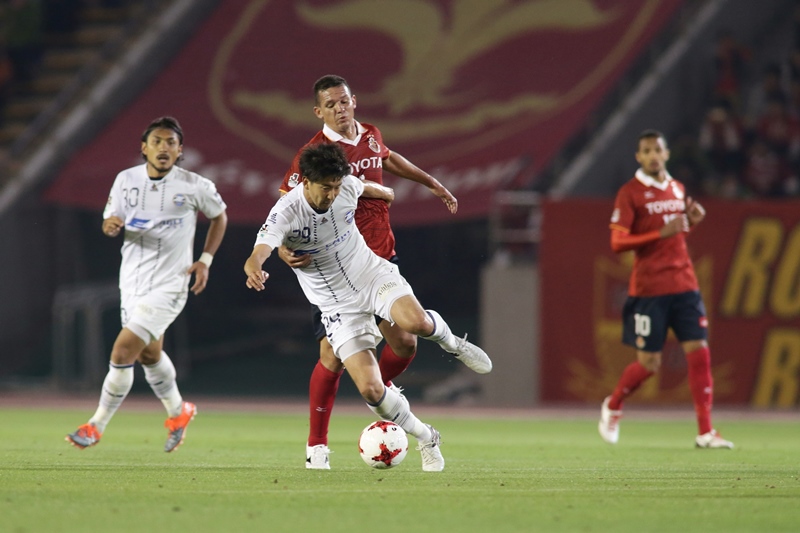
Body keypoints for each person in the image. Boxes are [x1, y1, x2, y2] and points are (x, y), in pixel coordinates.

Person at [244, 143, 491, 472]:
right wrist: (255, 269)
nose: (332, 194)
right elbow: (259, 250)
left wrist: (387, 193)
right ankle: (427, 436)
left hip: (372, 275)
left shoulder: (346, 185)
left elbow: (366, 187)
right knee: (372, 390)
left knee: (415, 324)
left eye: (336, 186)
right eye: (325, 187)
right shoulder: (286, 212)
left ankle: (454, 344)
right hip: (336, 305)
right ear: (305, 181)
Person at [276, 74, 459, 469]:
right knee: (330, 356)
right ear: (319, 111)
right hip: (335, 270)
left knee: (406, 341)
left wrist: (430, 182)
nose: (340, 109)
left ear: (354, 101)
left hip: (378, 259)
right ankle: (317, 445)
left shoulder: (371, 134)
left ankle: (380, 391)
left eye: (344, 101)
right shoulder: (315, 154)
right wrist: (282, 247)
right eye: (331, 104)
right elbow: (287, 202)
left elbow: (386, 159)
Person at [66, 116, 228, 452]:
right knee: (150, 354)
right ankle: (178, 412)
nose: (163, 148)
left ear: (180, 150)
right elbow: (111, 219)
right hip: (132, 281)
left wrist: (205, 260)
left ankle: (95, 425)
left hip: (171, 283)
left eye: (171, 142)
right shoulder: (125, 180)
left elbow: (219, 216)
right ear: (144, 148)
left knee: (123, 350)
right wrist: (110, 225)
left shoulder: (194, 185)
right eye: (157, 142)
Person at [598, 129, 733, 449]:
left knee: (699, 352)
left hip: (685, 284)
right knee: (649, 365)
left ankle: (705, 432)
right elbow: (617, 242)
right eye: (646, 151)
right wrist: (662, 232)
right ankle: (613, 405)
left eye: (657, 149)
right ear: (639, 157)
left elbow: (675, 236)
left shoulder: (677, 188)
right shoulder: (630, 193)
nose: (653, 156)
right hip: (649, 289)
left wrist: (691, 222)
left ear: (666, 154)